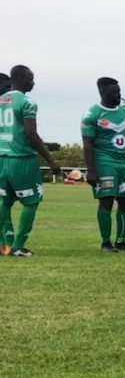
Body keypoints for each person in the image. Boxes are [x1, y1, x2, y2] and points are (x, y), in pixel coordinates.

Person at [0, 65, 60, 256]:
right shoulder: (27, 102)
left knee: (4, 201)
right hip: (22, 159)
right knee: (31, 202)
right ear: (19, 78)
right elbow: (30, 133)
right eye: (30, 78)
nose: (33, 83)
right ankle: (17, 247)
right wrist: (51, 161)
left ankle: (4, 243)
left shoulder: (1, 100)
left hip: (2, 158)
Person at [82, 76, 125, 253]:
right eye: (114, 91)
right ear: (102, 92)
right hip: (104, 162)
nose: (119, 94)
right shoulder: (92, 114)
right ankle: (105, 243)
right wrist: (91, 170)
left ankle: (121, 241)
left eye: (119, 90)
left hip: (124, 163)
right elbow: (87, 144)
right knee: (107, 201)